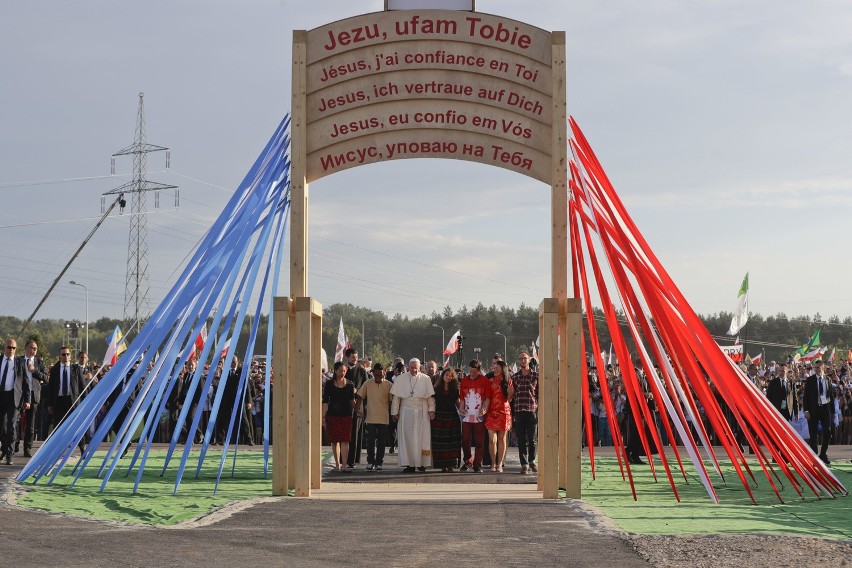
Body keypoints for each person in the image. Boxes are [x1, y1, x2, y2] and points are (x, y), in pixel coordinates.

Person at [390, 357, 435, 472]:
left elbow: (430, 397)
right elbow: (396, 398)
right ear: (408, 367)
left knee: (422, 438)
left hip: (422, 411)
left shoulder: (425, 379)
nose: (414, 370)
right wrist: (394, 412)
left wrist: (431, 410)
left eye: (416, 368)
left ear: (420, 368)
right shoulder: (401, 379)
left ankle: (422, 464)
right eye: (412, 368)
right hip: (406, 412)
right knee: (407, 439)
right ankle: (409, 464)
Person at [355, 362, 393, 471]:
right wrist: (357, 409)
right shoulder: (368, 383)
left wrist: (393, 415)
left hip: (384, 418)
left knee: (382, 443)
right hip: (371, 418)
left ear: (384, 373)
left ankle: (379, 463)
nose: (378, 377)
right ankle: (370, 462)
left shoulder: (389, 384)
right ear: (373, 373)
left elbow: (391, 402)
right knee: (370, 442)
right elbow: (360, 397)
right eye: (376, 375)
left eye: (380, 375)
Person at [322, 361, 356, 472]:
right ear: (335, 370)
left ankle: (345, 465)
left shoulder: (350, 384)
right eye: (340, 371)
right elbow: (325, 401)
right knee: (335, 441)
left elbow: (352, 400)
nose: (342, 373)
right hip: (332, 415)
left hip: (346, 415)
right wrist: (323, 417)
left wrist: (358, 408)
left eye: (344, 371)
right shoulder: (329, 384)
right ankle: (337, 464)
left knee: (345, 440)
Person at [458, 360, 490, 473]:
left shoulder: (484, 381)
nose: (471, 374)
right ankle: (467, 461)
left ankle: (477, 464)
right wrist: (461, 408)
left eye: (474, 372)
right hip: (466, 416)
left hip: (479, 416)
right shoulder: (464, 380)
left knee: (479, 441)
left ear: (479, 371)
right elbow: (462, 398)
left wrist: (485, 408)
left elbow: (487, 397)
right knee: (465, 439)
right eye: (470, 371)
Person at [1, 339, 29, 465]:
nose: (11, 350)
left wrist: (27, 399)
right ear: (4, 347)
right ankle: (4, 449)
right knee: (2, 426)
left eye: (13, 348)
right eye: (9, 347)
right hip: (1, 395)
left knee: (12, 426)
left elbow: (26, 381)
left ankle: (10, 454)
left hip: (14, 397)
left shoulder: (20, 362)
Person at [18, 339, 48, 458]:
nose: (34, 350)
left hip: (33, 395)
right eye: (32, 347)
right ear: (26, 348)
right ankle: (14, 444)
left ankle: (27, 448)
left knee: (31, 424)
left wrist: (34, 370)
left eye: (36, 348)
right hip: (19, 394)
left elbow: (46, 378)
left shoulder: (39, 362)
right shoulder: (19, 360)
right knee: (15, 421)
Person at [512, 351, 538, 474]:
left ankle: (532, 460)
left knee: (532, 439)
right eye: (521, 358)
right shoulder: (515, 377)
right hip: (518, 410)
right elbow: (511, 395)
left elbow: (539, 394)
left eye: (525, 358)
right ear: (518, 360)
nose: (523, 360)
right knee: (521, 439)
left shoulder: (535, 376)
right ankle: (524, 464)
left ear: (529, 360)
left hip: (531, 410)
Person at [803, 359, 834, 465]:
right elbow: (805, 397)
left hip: (825, 409)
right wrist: (806, 410)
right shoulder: (810, 380)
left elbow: (831, 397)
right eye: (815, 368)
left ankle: (823, 454)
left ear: (823, 367)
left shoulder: (828, 380)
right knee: (813, 433)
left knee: (828, 431)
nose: (816, 369)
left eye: (818, 367)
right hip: (813, 410)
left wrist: (833, 412)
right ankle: (814, 455)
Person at [431, 368, 461, 472]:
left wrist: (463, 410)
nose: (448, 377)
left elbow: (458, 403)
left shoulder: (455, 390)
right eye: (446, 375)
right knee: (440, 442)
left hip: (452, 417)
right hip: (439, 417)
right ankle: (442, 465)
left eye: (450, 376)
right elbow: (432, 402)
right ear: (443, 375)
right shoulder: (436, 388)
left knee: (451, 442)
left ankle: (451, 465)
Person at [486, 359, 513, 472]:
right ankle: (492, 463)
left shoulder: (508, 381)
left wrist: (510, 392)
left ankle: (500, 464)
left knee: (502, 440)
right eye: (494, 368)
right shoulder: (490, 381)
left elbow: (510, 398)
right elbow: (487, 397)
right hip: (492, 412)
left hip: (504, 412)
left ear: (503, 369)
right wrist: (484, 409)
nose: (495, 370)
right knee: (492, 439)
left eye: (497, 368)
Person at [344, 348, 369, 468]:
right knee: (345, 433)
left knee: (355, 433)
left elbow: (367, 386)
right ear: (347, 357)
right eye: (352, 357)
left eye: (356, 357)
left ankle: (353, 459)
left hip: (358, 405)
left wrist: (358, 391)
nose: (355, 359)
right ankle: (343, 458)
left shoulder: (362, 371)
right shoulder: (342, 370)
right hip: (344, 406)